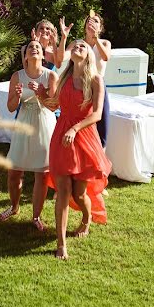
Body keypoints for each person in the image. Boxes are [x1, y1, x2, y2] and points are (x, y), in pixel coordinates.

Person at [36, 39, 112, 259]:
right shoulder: (64, 77)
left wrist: (75, 129)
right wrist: (42, 97)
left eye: (82, 46)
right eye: (75, 45)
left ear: (88, 54)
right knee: (63, 190)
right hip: (62, 136)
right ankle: (61, 244)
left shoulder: (96, 80)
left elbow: (96, 114)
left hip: (83, 136)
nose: (78, 47)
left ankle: (87, 218)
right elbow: (55, 105)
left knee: (79, 194)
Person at [0, 40, 58, 232]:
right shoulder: (17, 76)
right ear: (25, 56)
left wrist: (41, 93)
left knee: (42, 173)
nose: (34, 49)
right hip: (23, 123)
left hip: (44, 124)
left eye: (38, 48)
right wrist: (16, 96)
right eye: (31, 47)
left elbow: (54, 106)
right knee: (14, 171)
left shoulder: (51, 76)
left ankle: (36, 216)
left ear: (42, 55)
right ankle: (14, 207)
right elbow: (10, 107)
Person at [57, 13, 112, 146]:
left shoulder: (104, 42)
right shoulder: (77, 44)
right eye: (89, 20)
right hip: (79, 85)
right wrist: (64, 38)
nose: (91, 22)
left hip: (97, 85)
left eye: (96, 21)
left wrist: (95, 38)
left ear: (100, 27)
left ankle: (100, 154)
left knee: (101, 123)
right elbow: (61, 58)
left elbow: (105, 57)